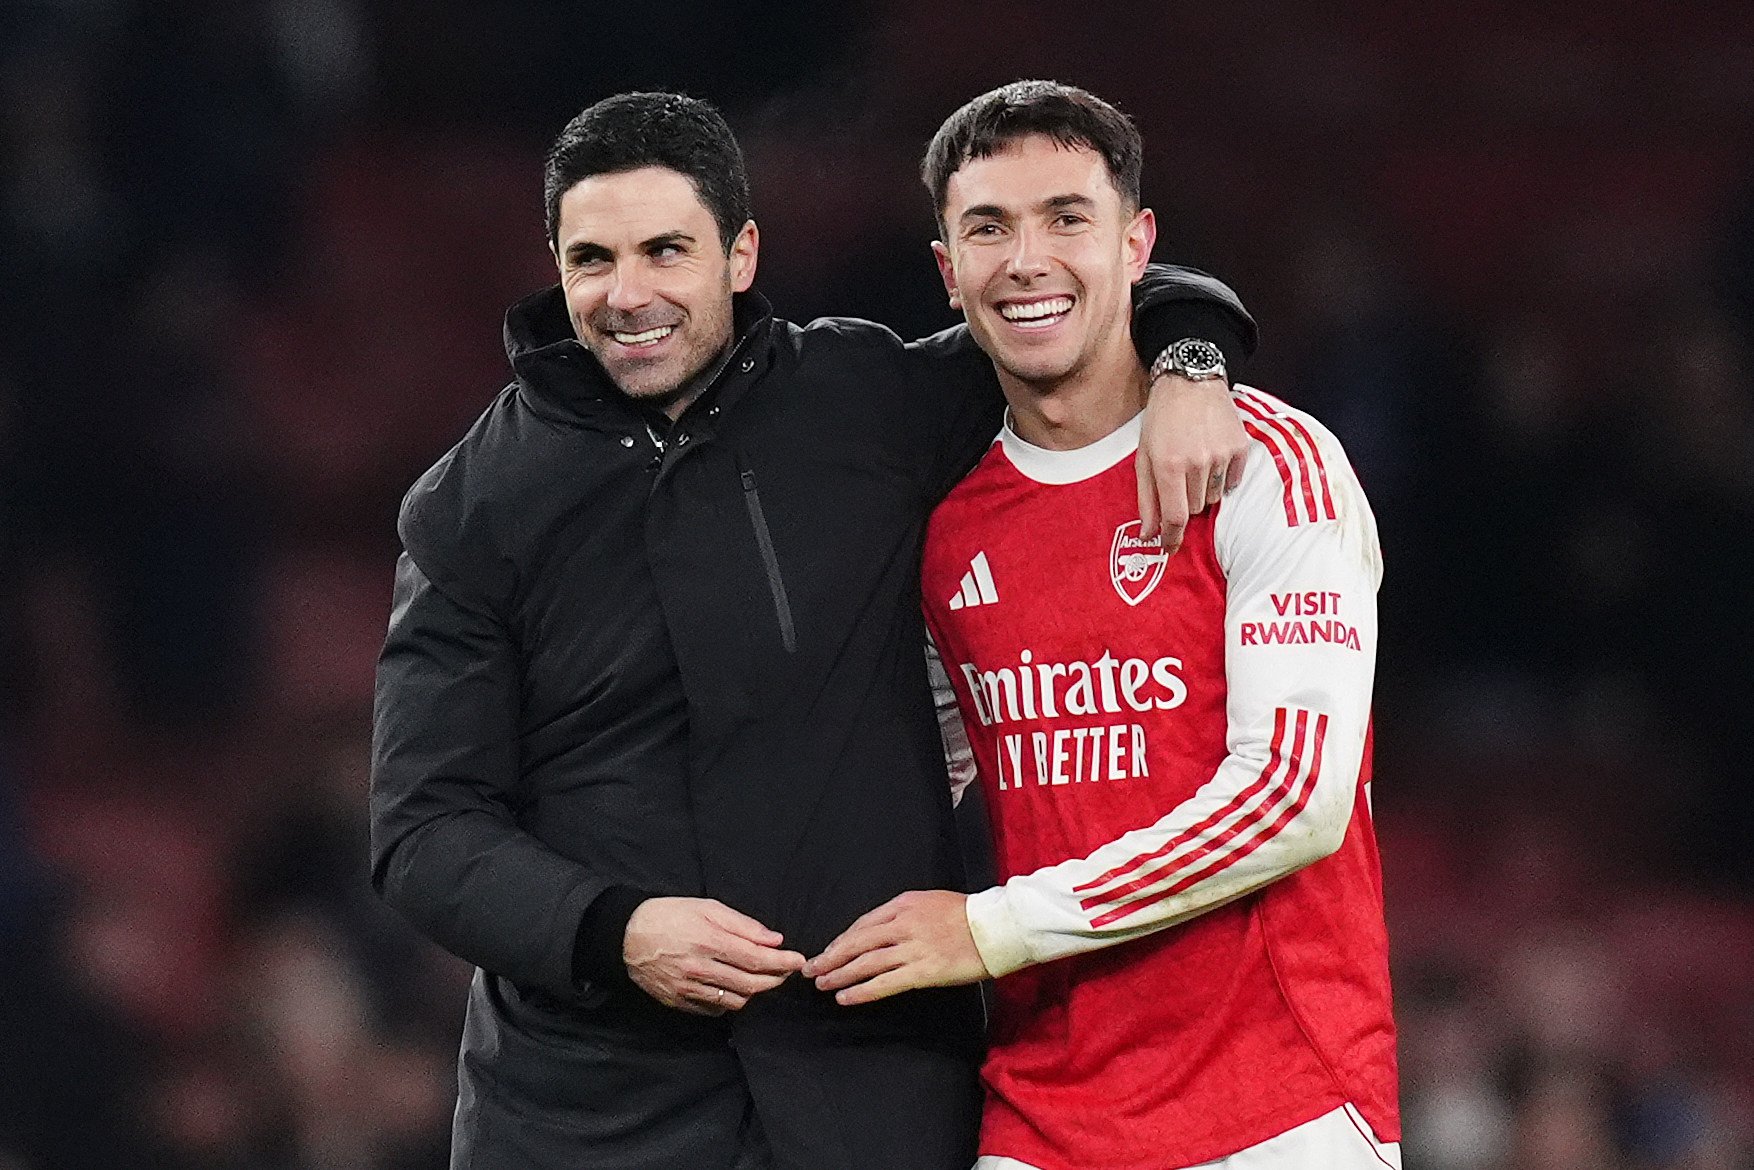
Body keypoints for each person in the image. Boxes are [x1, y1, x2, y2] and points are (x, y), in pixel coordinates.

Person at [368, 91, 1259, 1170]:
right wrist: (616, 930)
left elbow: (1056, 305)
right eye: (591, 258)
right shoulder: (469, 507)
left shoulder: (860, 397)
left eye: (666, 250)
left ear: (740, 254)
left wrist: (1192, 361)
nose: (628, 293)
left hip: (867, 1092)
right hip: (583, 1113)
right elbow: (423, 832)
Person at [806, 81, 1399, 1170]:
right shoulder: (943, 527)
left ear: (1138, 245)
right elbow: (906, 779)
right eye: (987, 228)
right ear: (947, 272)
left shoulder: (1270, 464)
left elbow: (1291, 801)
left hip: (1277, 1113)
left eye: (1064, 219)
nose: (1024, 260)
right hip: (1037, 1119)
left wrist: (986, 931)